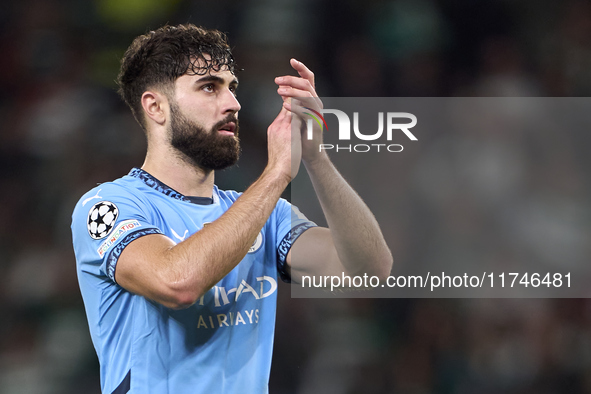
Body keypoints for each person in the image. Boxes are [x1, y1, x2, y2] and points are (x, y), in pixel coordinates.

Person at [71, 24, 392, 394]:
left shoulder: (263, 214)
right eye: (209, 86)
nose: (233, 104)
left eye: (232, 87)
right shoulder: (109, 205)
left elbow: (369, 270)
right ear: (155, 106)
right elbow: (178, 283)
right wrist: (276, 174)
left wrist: (316, 159)